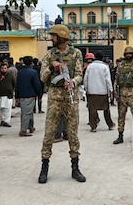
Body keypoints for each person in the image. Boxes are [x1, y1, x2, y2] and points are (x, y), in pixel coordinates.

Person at [38, 24, 86, 183]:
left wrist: (72, 82)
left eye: (54, 36)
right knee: (49, 132)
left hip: (70, 96)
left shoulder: (76, 54)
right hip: (54, 96)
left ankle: (75, 168)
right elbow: (42, 78)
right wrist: (51, 67)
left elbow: (80, 75)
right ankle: (44, 167)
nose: (51, 38)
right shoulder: (49, 55)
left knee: (73, 132)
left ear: (61, 37)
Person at [113, 46, 133, 145]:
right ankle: (120, 135)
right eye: (127, 54)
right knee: (121, 116)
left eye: (130, 54)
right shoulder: (121, 65)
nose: (128, 55)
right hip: (122, 93)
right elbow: (117, 78)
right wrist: (115, 91)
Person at [83, 51, 115, 132]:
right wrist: (110, 91)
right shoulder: (105, 67)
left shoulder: (90, 67)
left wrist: (86, 89)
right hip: (103, 92)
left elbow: (85, 79)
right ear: (102, 58)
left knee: (92, 110)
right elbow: (108, 80)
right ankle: (110, 125)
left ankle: (93, 126)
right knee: (106, 110)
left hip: (92, 91)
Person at [15, 56, 42, 136]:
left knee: (28, 112)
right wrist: (39, 95)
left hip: (22, 95)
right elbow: (37, 85)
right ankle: (23, 130)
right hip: (30, 95)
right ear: (32, 63)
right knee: (26, 113)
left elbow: (17, 85)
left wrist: (16, 96)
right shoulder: (33, 72)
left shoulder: (20, 72)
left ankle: (30, 126)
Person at [0, 63, 16, 127]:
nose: (3, 70)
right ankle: (2, 120)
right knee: (0, 109)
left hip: (8, 95)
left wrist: (12, 90)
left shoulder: (10, 75)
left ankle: (6, 121)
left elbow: (14, 83)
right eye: (2, 68)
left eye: (5, 68)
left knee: (7, 109)